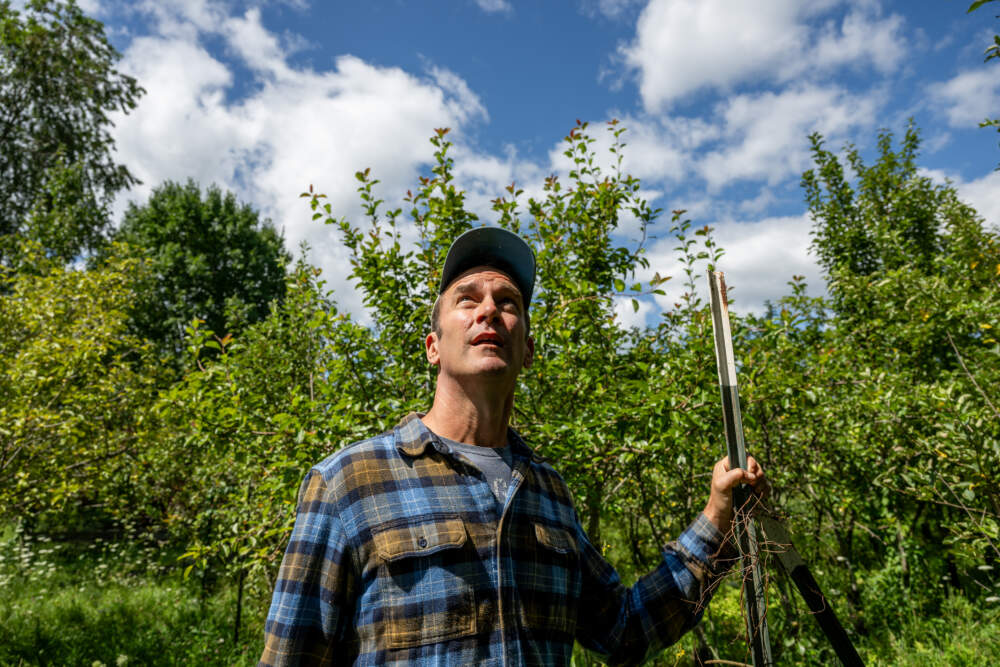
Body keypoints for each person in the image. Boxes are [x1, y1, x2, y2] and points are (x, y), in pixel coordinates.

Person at [259, 227, 769, 666]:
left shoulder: (548, 492)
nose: (489, 312)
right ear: (434, 346)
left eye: (508, 303)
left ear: (527, 349)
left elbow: (623, 630)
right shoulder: (350, 481)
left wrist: (718, 516)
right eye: (467, 299)